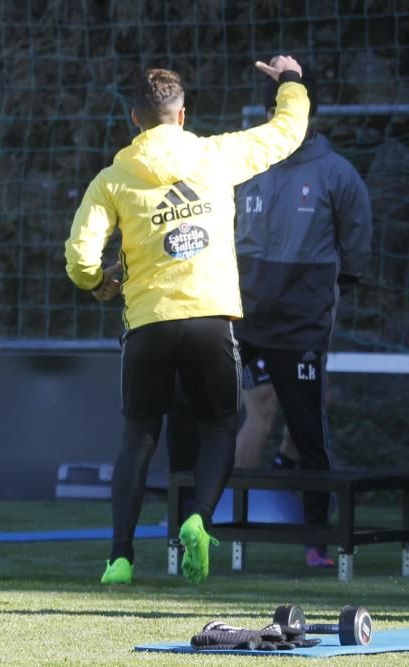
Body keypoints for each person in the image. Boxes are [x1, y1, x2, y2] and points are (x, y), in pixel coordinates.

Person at [64, 56, 309, 585]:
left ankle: (120, 558)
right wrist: (290, 82)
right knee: (220, 425)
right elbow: (285, 133)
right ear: (182, 115)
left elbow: (80, 255)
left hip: (148, 324)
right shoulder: (216, 155)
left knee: (138, 438)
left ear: (134, 119)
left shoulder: (113, 178)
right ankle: (199, 516)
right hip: (210, 318)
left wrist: (96, 283)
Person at [232, 69, 372, 567]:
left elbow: (357, 250)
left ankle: (316, 537)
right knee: (253, 413)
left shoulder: (336, 174)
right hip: (242, 318)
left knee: (309, 421)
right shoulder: (243, 166)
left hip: (300, 323)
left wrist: (330, 289)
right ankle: (233, 527)